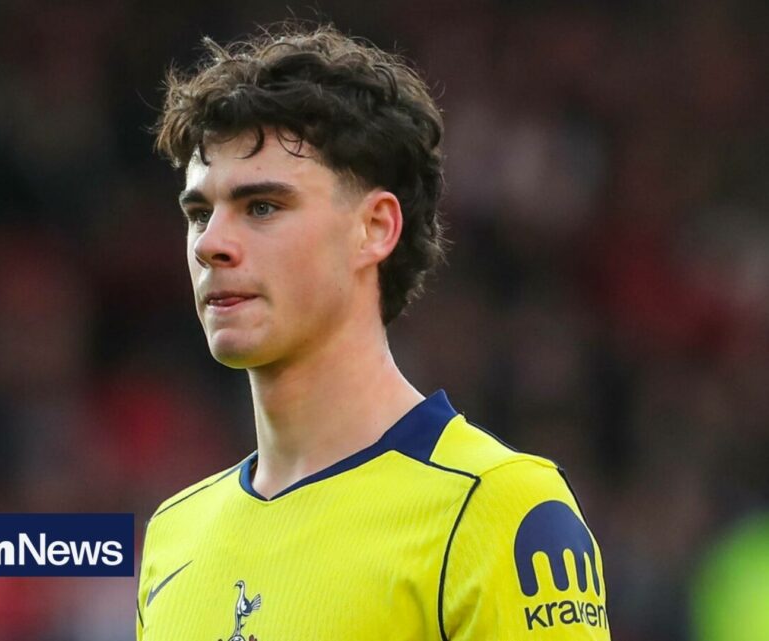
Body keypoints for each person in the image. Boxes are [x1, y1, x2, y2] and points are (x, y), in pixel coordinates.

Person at [137, 23, 611, 640]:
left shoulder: (497, 504)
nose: (212, 245)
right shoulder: (174, 536)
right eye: (200, 214)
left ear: (376, 228)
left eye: (262, 207)